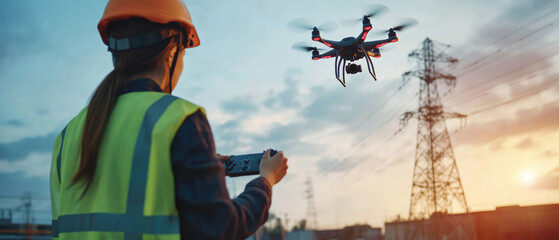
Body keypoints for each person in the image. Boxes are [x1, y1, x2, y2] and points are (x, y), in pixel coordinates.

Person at [49, 0, 288, 239]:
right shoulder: (177, 119)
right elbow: (221, 228)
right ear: (172, 51)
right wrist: (265, 180)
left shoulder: (68, 136)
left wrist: (193, 168)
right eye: (184, 52)